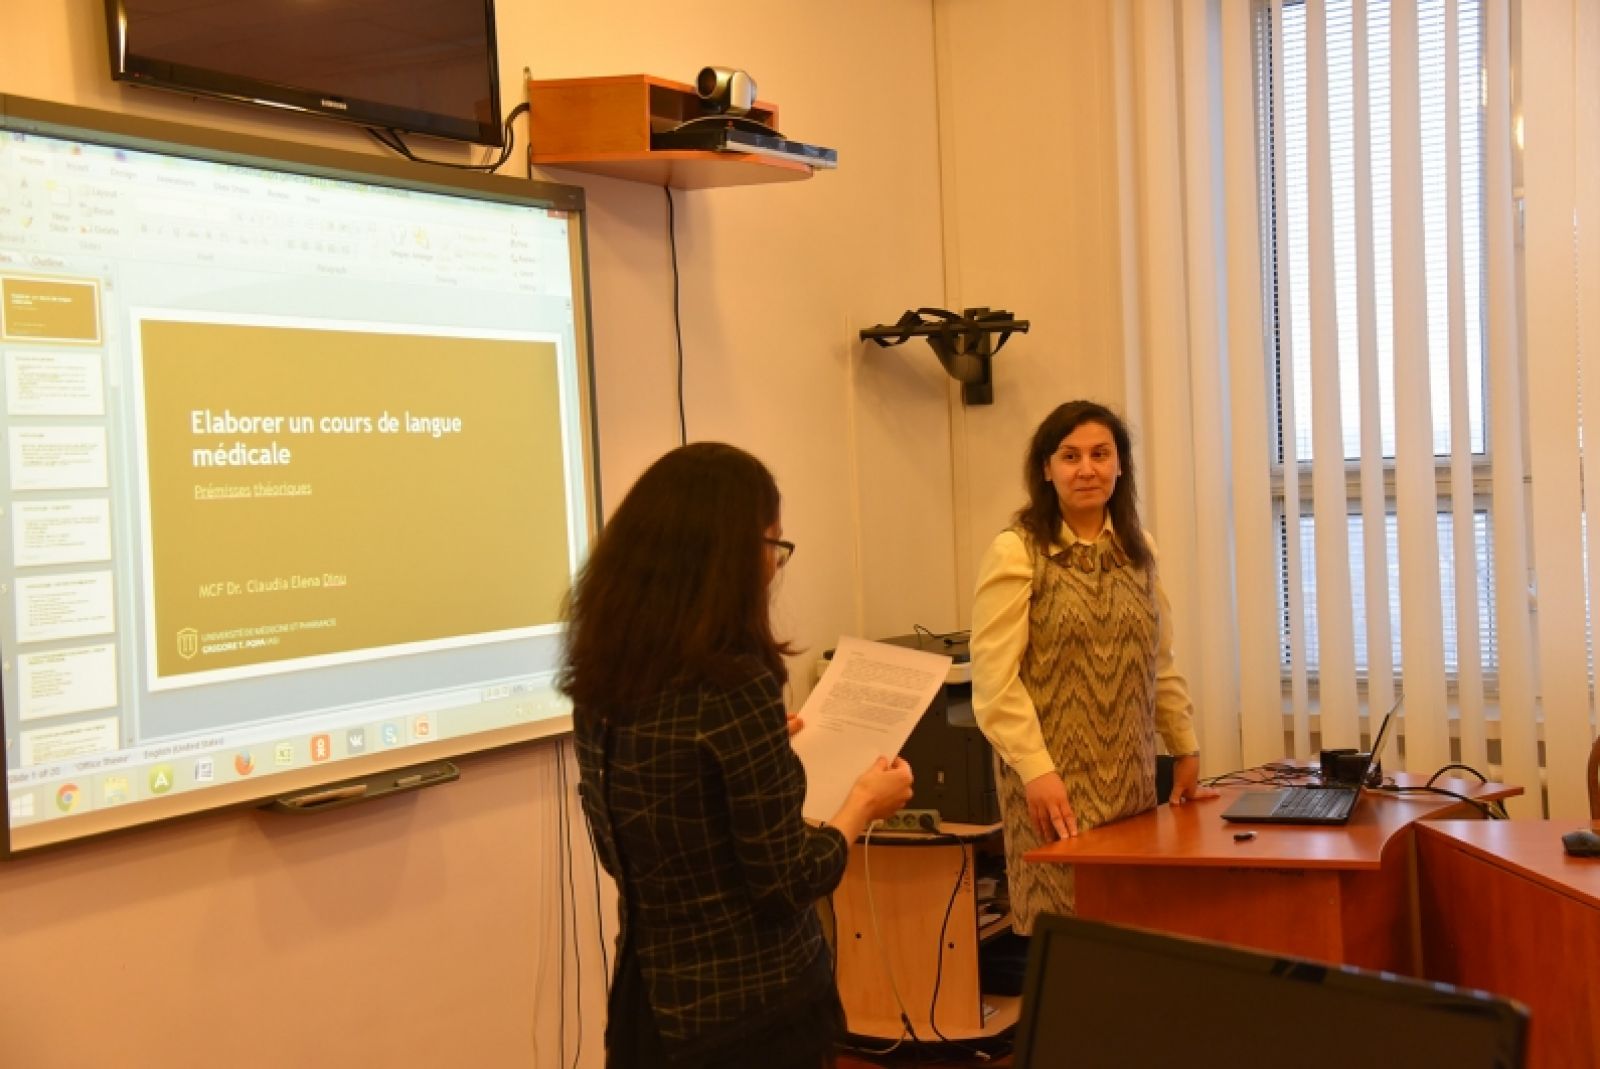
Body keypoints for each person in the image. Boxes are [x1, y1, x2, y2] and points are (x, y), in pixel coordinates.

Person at [562, 442, 914, 1069]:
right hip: (752, 1015)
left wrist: (758, 750)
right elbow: (787, 882)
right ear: (727, 556)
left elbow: (629, 849)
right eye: (772, 544)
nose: (774, 565)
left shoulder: (601, 679)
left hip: (649, 1007)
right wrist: (862, 805)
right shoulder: (734, 684)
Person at [970, 401, 1217, 933]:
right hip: (1052, 787)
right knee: (1066, 935)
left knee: (1132, 930)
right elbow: (993, 682)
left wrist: (1185, 746)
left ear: (1120, 465)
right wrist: (1036, 770)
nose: (1087, 469)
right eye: (1070, 456)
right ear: (1046, 469)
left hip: (1131, 784)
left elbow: (1159, 660)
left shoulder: (1138, 548)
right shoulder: (1017, 551)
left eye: (1100, 454)